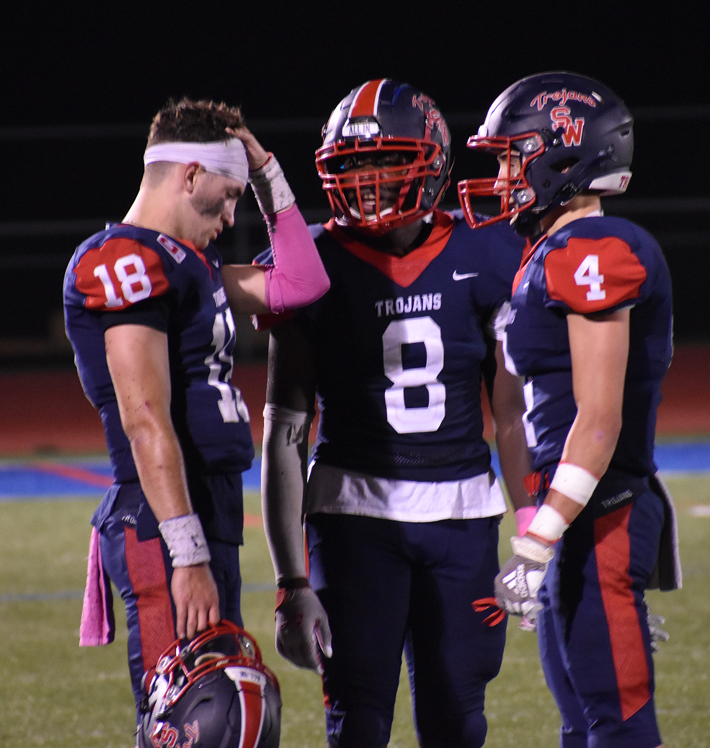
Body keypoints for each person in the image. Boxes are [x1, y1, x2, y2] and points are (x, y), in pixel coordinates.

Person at [258, 79, 534, 748]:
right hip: (352, 519)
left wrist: (532, 528)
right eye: (354, 165)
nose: (369, 180)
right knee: (358, 721)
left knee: (458, 720)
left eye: (387, 161)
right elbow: (284, 431)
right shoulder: (312, 262)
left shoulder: (487, 249)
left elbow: (511, 409)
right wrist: (290, 581)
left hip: (462, 516)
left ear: (432, 162)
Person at [63, 97, 330, 725]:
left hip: (208, 506)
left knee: (227, 715)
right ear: (190, 175)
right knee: (188, 721)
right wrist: (187, 554)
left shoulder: (189, 262)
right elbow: (145, 419)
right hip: (164, 519)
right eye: (230, 194)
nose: (234, 214)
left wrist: (266, 173)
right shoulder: (123, 260)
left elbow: (303, 284)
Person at [458, 71, 682, 748]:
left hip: (604, 511)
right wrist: (542, 522)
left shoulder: (593, 251)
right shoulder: (546, 252)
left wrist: (537, 540)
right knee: (581, 723)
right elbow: (518, 408)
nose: (501, 177)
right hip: (578, 514)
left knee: (616, 723)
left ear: (563, 157)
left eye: (511, 157)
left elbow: (599, 418)